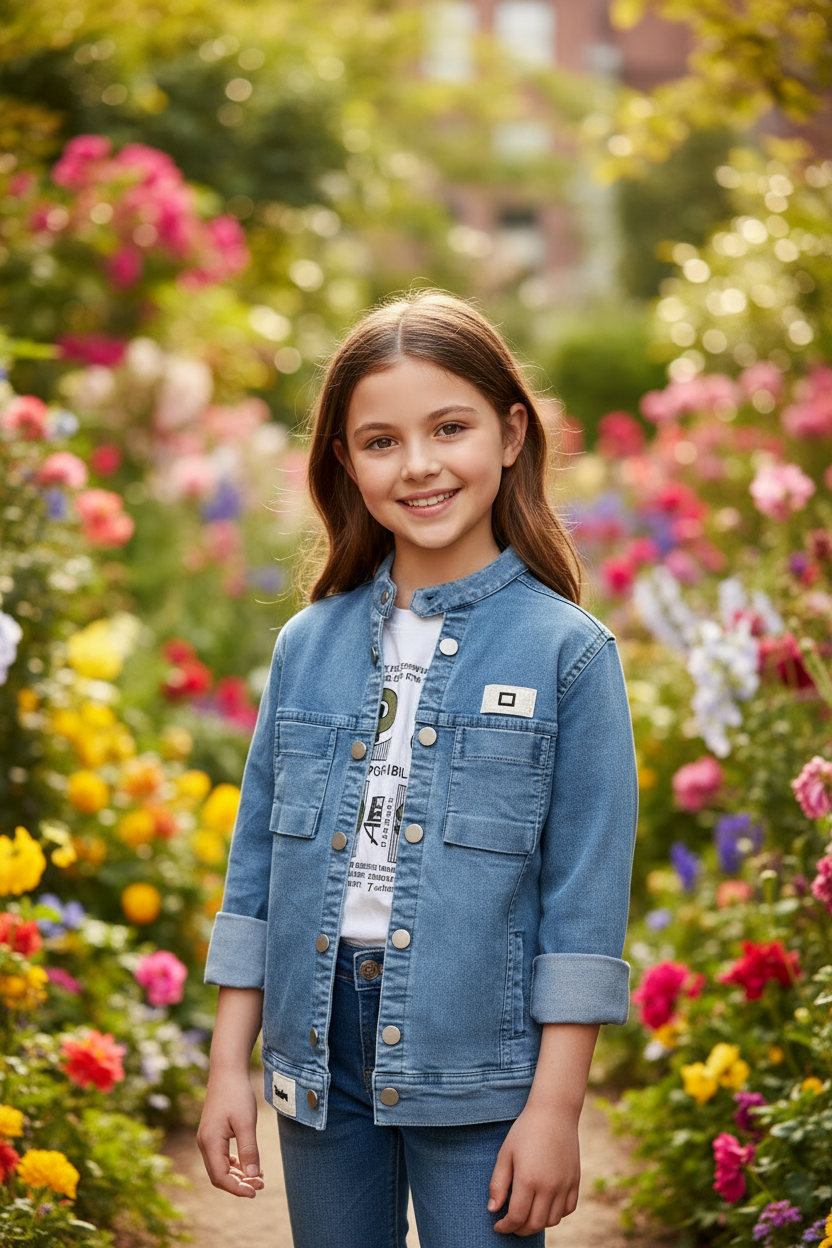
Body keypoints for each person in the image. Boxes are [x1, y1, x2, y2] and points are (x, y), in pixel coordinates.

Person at [197, 291, 638, 1246]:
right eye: (381, 441)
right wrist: (227, 1064)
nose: (421, 465)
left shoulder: (570, 656)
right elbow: (256, 877)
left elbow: (585, 906)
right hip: (318, 1057)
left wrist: (556, 1110)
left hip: (480, 1063)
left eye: (450, 427)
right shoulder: (304, 647)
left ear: (512, 433)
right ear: (346, 465)